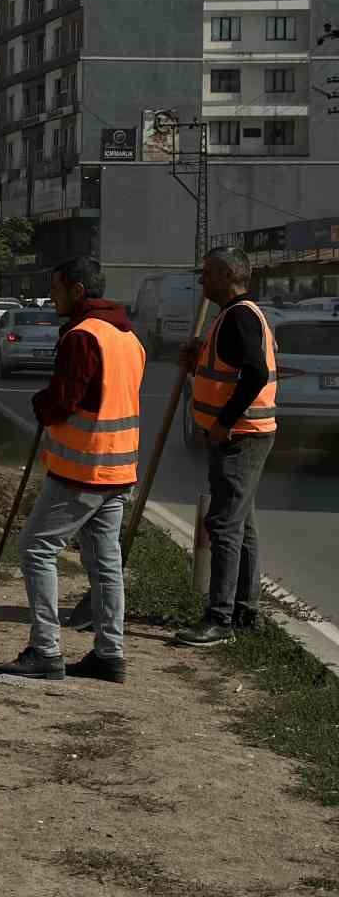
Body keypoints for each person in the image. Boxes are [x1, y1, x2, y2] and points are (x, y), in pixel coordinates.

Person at [0, 256, 145, 684]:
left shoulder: (82, 337)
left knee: (36, 548)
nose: (51, 297)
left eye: (57, 289)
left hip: (84, 469)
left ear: (79, 291)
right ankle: (110, 655)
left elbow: (64, 401)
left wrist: (40, 404)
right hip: (119, 468)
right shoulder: (127, 336)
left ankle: (46, 650)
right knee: (104, 562)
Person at [173, 246, 277, 647]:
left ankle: (220, 619)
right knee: (241, 523)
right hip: (245, 434)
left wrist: (222, 423)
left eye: (206, 274)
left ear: (223, 274)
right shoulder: (237, 315)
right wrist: (197, 356)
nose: (201, 282)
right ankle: (245, 610)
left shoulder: (239, 317)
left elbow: (254, 374)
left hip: (239, 437)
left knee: (224, 525)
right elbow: (231, 367)